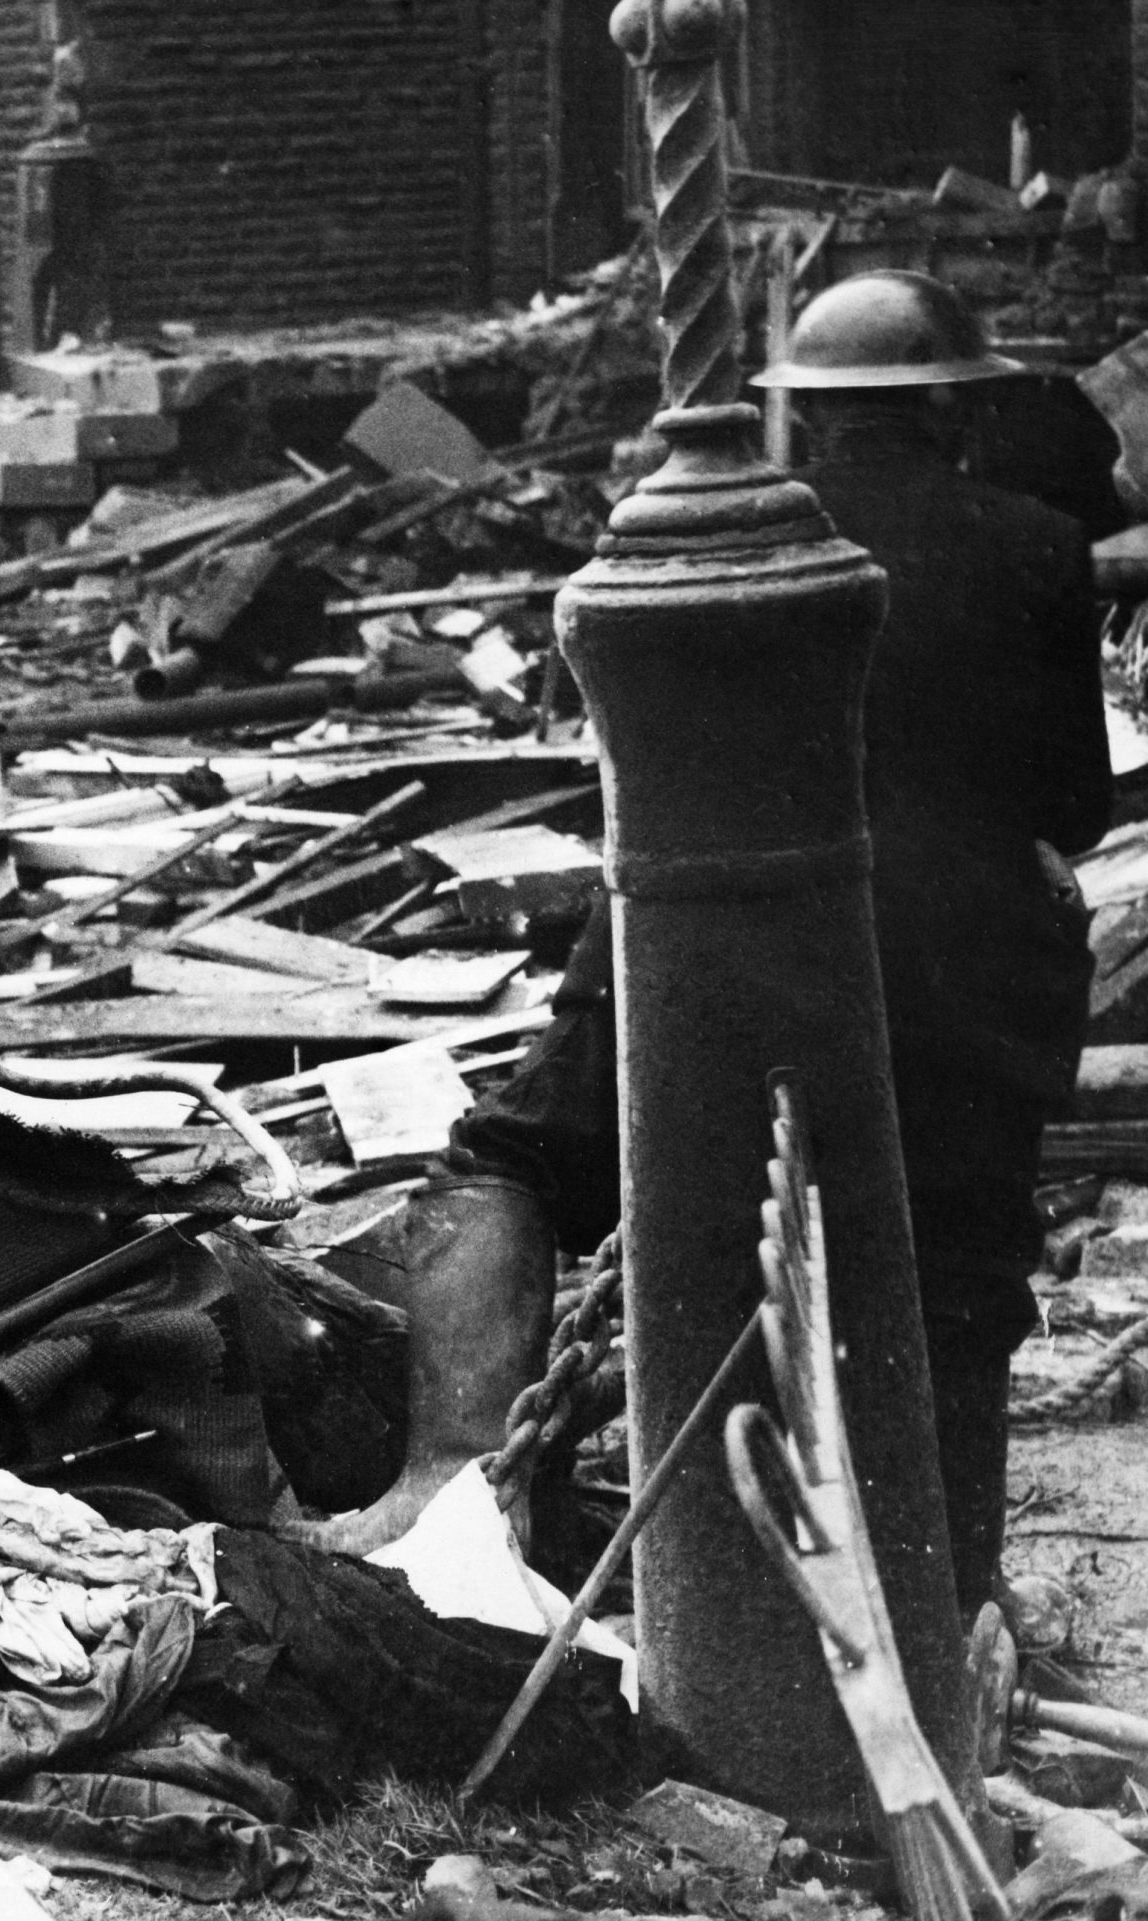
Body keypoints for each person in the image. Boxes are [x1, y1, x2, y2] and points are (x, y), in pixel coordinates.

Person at [308, 271, 1112, 1622]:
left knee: (507, 1161)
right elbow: (1074, 805)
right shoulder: (1036, 544)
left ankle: (446, 1483)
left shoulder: (687, 542)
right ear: (958, 409)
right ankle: (954, 1591)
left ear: (801, 417)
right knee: (960, 1265)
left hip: (700, 950)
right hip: (963, 967)